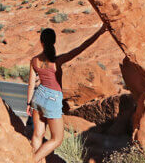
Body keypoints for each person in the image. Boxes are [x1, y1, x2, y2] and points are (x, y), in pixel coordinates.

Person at [26, 24, 107, 163]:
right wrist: (99, 33)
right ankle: (32, 160)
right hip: (52, 99)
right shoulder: (57, 60)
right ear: (54, 42)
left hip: (38, 97)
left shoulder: (34, 60)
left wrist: (29, 103)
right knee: (57, 139)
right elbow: (81, 47)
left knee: (37, 135)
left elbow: (31, 83)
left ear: (41, 42)